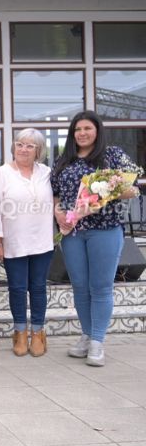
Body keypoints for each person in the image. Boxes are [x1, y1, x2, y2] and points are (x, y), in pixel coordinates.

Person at [51, 110, 140, 367]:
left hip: (105, 230)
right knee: (80, 286)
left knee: (100, 286)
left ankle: (98, 342)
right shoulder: (63, 160)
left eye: (87, 128)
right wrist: (58, 213)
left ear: (97, 131)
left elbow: (133, 189)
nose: (82, 133)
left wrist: (107, 191)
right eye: (78, 129)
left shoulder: (112, 155)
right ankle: (87, 336)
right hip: (72, 233)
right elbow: (55, 194)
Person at [0, 129, 54, 357]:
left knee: (38, 288)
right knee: (17, 289)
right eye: (20, 144)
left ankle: (37, 332)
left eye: (29, 146)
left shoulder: (46, 172)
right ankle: (19, 332)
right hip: (14, 241)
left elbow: (57, 201)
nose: (23, 149)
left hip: (42, 241)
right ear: (13, 147)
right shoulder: (1, 173)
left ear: (38, 150)